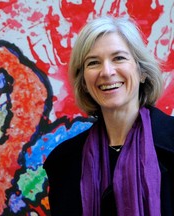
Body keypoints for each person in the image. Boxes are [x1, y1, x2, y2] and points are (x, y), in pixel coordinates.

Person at [43, 15, 174, 216]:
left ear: (142, 72)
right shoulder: (63, 163)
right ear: (84, 82)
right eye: (93, 63)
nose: (107, 71)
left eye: (119, 58)